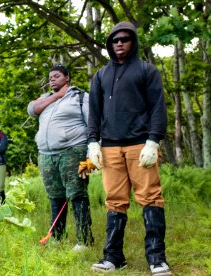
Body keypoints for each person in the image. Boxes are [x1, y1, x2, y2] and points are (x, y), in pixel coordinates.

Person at [87, 22, 170, 275]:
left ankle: (157, 258)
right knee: (114, 201)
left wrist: (153, 141)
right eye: (114, 40)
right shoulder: (100, 75)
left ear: (133, 41)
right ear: (109, 44)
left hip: (140, 145)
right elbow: (94, 111)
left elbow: (158, 108)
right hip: (110, 148)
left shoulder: (147, 70)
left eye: (124, 39)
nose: (119, 43)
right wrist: (92, 142)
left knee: (151, 198)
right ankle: (113, 257)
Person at [27, 64, 94, 250]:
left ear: (67, 78)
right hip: (47, 155)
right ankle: (57, 237)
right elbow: (32, 110)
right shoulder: (44, 99)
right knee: (56, 196)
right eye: (50, 77)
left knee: (77, 194)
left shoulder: (81, 97)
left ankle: (84, 241)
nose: (52, 79)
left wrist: (92, 154)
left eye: (56, 76)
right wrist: (56, 96)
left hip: (73, 151)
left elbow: (93, 125)